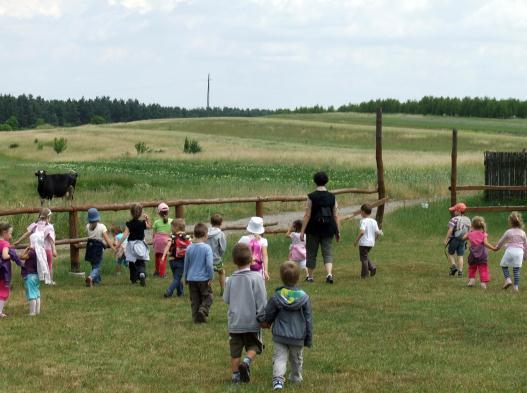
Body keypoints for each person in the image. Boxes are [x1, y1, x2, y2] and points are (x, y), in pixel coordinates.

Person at [259, 261, 313, 390]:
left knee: (279, 358)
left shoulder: (277, 296)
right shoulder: (304, 298)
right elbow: (308, 319)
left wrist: (264, 321)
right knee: (297, 359)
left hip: (280, 335)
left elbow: (268, 313)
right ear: (299, 278)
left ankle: (278, 380)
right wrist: (308, 337)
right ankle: (296, 376)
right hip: (298, 335)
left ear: (281, 278)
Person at [223, 243, 267, 384]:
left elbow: (226, 299)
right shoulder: (256, 278)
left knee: (235, 352)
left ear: (234, 261)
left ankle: (235, 377)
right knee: (255, 346)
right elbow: (262, 300)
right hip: (252, 322)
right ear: (251, 260)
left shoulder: (230, 279)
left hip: (235, 323)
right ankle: (246, 362)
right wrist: (263, 317)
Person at [300, 171, 340, 284]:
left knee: (311, 253)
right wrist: (337, 231)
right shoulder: (332, 197)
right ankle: (329, 274)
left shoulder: (311, 196)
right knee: (327, 252)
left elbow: (307, 214)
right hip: (328, 229)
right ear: (326, 181)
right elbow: (335, 215)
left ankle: (310, 277)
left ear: (315, 181)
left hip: (313, 229)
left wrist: (302, 231)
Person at [14, 208, 57, 284]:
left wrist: (19, 241)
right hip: (47, 249)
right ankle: (49, 280)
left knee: (36, 264)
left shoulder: (35, 225)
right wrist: (54, 250)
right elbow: (51, 240)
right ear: (48, 217)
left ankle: (37, 278)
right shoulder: (49, 227)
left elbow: (27, 233)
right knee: (49, 265)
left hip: (35, 249)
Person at [183, 223, 214, 323]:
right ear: (205, 235)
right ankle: (203, 310)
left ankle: (196, 317)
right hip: (203, 278)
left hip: (191, 278)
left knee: (195, 299)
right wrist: (211, 276)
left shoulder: (189, 248)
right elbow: (209, 265)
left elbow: (186, 264)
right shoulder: (207, 248)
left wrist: (185, 277)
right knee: (208, 296)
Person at [116, 203, 152, 287]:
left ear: (131, 213)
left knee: (132, 262)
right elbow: (149, 226)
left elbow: (125, 235)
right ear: (140, 213)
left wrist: (118, 244)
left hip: (132, 245)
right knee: (141, 262)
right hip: (140, 244)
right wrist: (147, 219)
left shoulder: (129, 223)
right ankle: (142, 273)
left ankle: (133, 278)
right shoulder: (142, 223)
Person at [493, 212, 527, 292]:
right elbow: (526, 245)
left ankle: (508, 279)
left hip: (510, 251)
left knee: (503, 265)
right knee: (516, 270)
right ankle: (516, 287)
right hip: (519, 252)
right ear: (520, 221)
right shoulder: (523, 233)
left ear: (510, 222)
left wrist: (497, 247)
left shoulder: (509, 232)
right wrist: (525, 256)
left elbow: (501, 241)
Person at [84, 208, 115, 287]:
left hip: (89, 247)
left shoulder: (87, 226)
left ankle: (96, 280)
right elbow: (107, 239)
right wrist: (112, 247)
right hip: (97, 248)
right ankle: (91, 277)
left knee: (93, 264)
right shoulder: (102, 227)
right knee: (97, 266)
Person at [463, 217, 495, 289]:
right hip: (482, 256)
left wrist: (470, 231)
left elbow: (463, 238)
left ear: (472, 225)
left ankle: (471, 280)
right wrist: (493, 248)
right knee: (483, 268)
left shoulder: (470, 234)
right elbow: (485, 243)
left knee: (472, 268)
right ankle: (483, 283)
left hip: (472, 255)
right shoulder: (484, 234)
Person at [163, 219, 191, 298]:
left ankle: (180, 293)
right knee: (177, 278)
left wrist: (165, 254)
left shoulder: (172, 236)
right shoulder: (186, 237)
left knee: (176, 277)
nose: (171, 228)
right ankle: (169, 290)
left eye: (172, 227)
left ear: (176, 228)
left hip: (172, 261)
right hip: (181, 261)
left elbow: (167, 245)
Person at [0, 222, 23, 318]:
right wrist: (13, 255)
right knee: (3, 290)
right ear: (4, 233)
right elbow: (5, 256)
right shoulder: (5, 243)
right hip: (2, 271)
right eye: (10, 233)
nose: (11, 235)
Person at [353, 204, 383, 278]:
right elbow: (379, 232)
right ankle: (372, 268)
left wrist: (356, 240)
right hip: (371, 243)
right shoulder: (374, 221)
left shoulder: (363, 221)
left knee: (363, 259)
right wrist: (374, 240)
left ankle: (365, 275)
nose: (360, 213)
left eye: (361, 211)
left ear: (363, 212)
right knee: (365, 256)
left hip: (363, 243)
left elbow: (362, 232)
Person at [444, 202, 471, 277]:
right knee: (460, 255)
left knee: (450, 253)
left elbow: (450, 230)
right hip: (463, 240)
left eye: (455, 210)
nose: (453, 212)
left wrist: (446, 239)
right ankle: (460, 272)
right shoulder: (467, 219)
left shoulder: (454, 219)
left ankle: (453, 266)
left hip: (454, 239)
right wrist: (466, 239)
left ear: (458, 211)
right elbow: (470, 230)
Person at [238, 217, 270, 281]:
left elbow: (237, 251)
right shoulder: (263, 241)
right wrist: (265, 271)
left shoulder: (243, 239)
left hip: (245, 267)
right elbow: (265, 256)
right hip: (259, 269)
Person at [19, 233, 43, 315]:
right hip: (36, 275)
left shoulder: (32, 252)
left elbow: (21, 257)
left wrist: (26, 249)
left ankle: (32, 313)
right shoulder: (40, 251)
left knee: (32, 294)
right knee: (37, 293)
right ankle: (37, 311)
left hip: (30, 276)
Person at [207, 213, 227, 296]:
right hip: (216, 259)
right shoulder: (221, 234)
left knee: (208, 275)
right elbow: (222, 247)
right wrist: (220, 255)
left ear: (211, 222)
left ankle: (209, 290)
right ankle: (223, 290)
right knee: (221, 272)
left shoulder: (206, 232)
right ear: (221, 223)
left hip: (207, 259)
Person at [152, 203, 172, 278]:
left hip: (157, 240)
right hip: (166, 240)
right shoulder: (171, 221)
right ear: (168, 212)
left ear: (158, 213)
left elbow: (154, 234)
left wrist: (154, 241)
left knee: (157, 256)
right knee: (163, 256)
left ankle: (157, 271)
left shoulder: (156, 222)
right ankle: (162, 273)